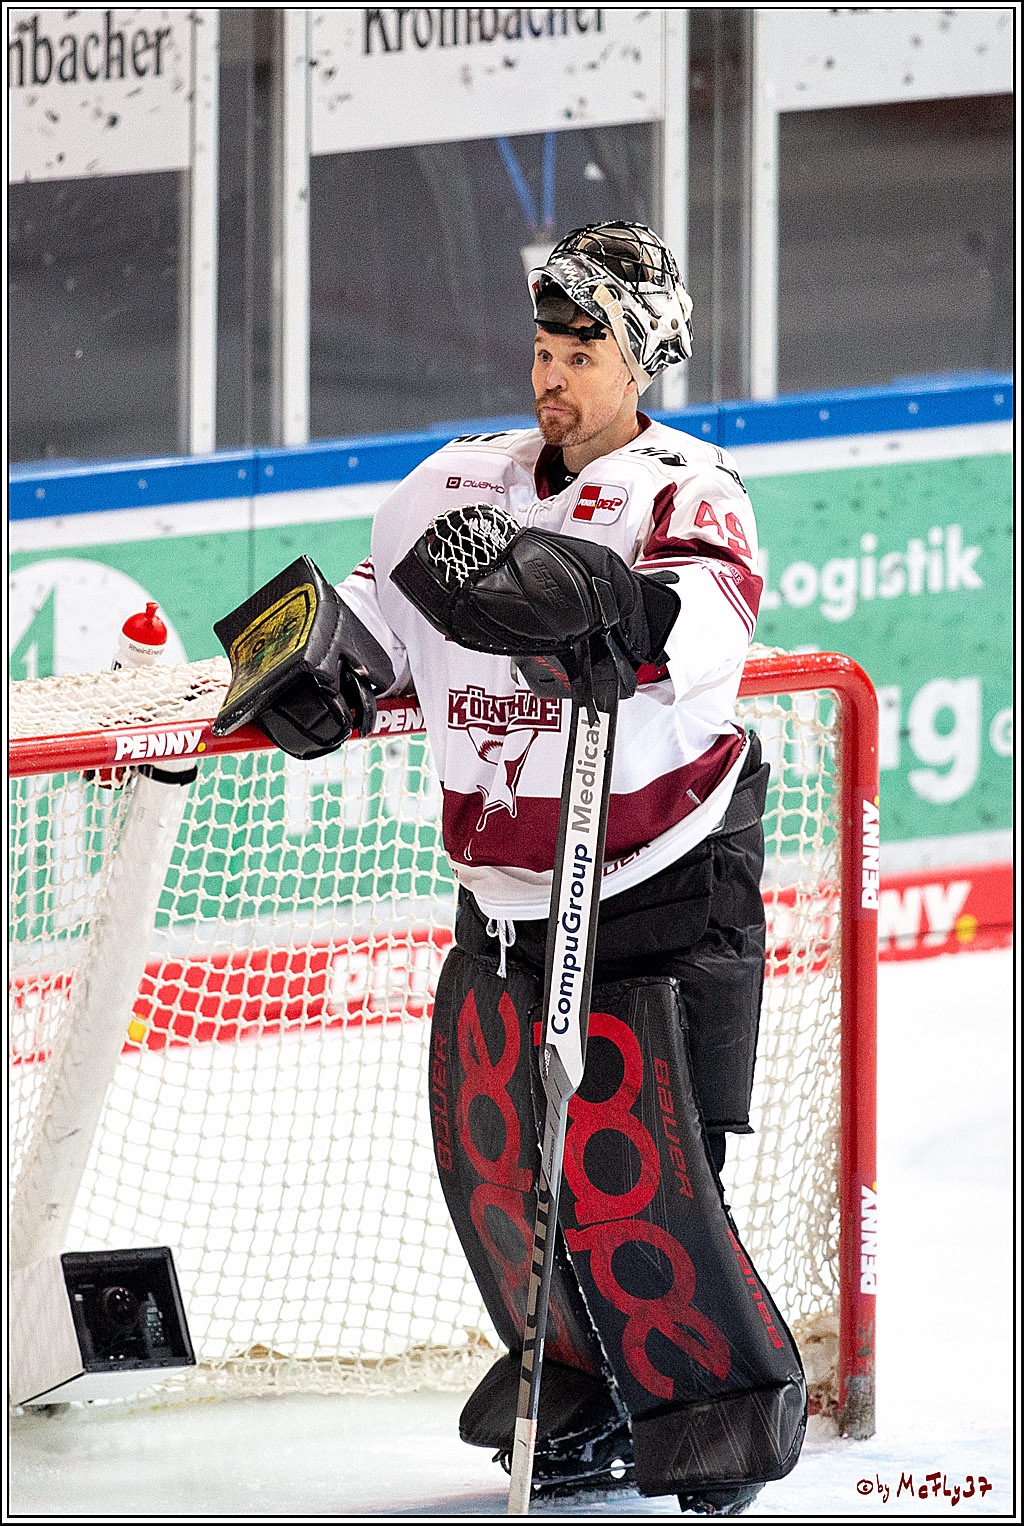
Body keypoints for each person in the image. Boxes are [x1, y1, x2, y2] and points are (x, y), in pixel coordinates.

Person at [237, 222, 807, 1514]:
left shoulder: (689, 491)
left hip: (661, 873)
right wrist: (330, 664)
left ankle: (708, 1414)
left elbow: (692, 628)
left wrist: (603, 604)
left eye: (580, 353)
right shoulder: (456, 478)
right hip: (505, 885)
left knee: (655, 1170)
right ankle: (575, 1394)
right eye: (542, 350)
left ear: (644, 357)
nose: (550, 376)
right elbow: (384, 607)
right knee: (514, 1168)